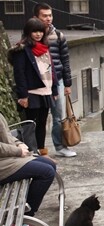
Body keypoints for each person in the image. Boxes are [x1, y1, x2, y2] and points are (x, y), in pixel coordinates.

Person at [1, 112, 57, 226]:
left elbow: (7, 135)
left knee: (50, 165)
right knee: (46, 173)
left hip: (8, 158)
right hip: (4, 163)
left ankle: (25, 221)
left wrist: (20, 144)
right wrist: (17, 151)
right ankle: (21, 222)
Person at [10, 18, 59, 157]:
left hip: (46, 90)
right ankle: (32, 152)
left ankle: (42, 152)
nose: (38, 34)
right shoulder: (22, 49)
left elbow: (52, 70)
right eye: (34, 31)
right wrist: (23, 95)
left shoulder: (45, 47)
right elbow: (19, 73)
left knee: (43, 122)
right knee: (30, 124)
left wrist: (54, 89)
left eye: (40, 31)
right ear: (28, 32)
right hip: (31, 92)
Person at [34, 3, 77, 158]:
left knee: (58, 117)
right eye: (44, 15)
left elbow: (65, 61)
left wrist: (67, 84)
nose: (48, 18)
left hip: (56, 81)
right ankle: (38, 149)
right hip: (37, 84)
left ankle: (60, 146)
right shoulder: (31, 36)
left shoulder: (58, 35)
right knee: (39, 118)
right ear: (36, 17)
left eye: (50, 15)